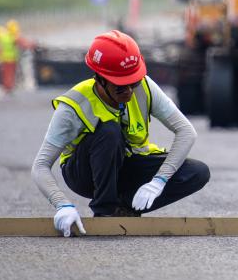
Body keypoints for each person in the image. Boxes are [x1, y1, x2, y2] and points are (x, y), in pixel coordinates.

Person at [31, 30, 210, 237]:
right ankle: (105, 210)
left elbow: (186, 131)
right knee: (109, 130)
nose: (129, 91)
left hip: (127, 163)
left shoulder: (144, 87)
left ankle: (125, 207)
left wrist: (159, 181)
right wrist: (62, 205)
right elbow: (40, 166)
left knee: (197, 172)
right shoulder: (73, 106)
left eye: (133, 82)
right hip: (86, 173)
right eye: (121, 86)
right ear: (100, 79)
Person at [0, 25, 17, 92]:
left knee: (5, 74)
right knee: (9, 74)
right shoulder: (12, 37)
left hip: (5, 59)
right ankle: (8, 87)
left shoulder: (4, 37)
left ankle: (6, 87)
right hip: (10, 58)